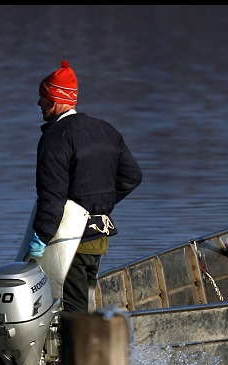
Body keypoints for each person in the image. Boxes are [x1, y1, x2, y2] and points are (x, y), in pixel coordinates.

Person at [28, 60, 143, 313]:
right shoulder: (106, 129)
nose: (39, 104)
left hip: (69, 241)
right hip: (98, 238)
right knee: (87, 303)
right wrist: (97, 202)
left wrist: (38, 241)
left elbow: (53, 195)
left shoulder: (56, 137)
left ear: (55, 99)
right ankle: (92, 347)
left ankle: (78, 352)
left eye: (42, 97)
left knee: (72, 309)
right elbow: (132, 176)